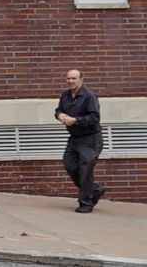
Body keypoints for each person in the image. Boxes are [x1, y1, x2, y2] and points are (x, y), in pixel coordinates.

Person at [54, 69, 106, 213]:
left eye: (74, 78)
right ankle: (95, 189)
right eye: (68, 78)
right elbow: (58, 110)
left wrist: (75, 120)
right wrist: (61, 116)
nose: (70, 81)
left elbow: (94, 117)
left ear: (81, 80)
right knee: (70, 166)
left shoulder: (89, 96)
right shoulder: (65, 95)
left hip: (90, 139)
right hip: (74, 139)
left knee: (85, 170)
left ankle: (86, 203)